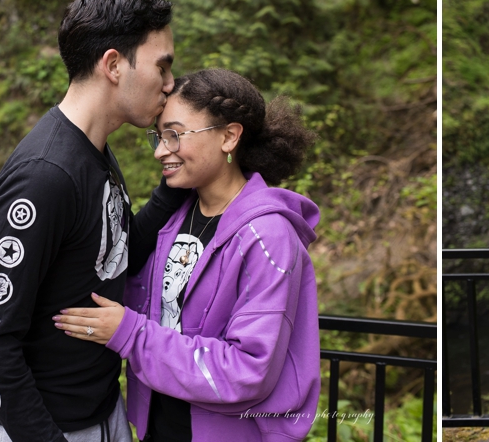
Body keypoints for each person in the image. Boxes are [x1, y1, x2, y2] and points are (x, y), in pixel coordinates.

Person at [0, 0, 187, 442]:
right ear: (113, 65)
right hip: (37, 430)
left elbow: (115, 253)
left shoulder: (94, 153)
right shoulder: (45, 176)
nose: (170, 83)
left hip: (100, 414)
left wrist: (175, 183)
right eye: (161, 66)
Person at [53, 68, 321, 441]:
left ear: (229, 136)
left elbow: (248, 369)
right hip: (158, 428)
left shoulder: (268, 237)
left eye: (175, 135)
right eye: (159, 137)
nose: (162, 151)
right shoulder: (177, 217)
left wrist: (132, 334)